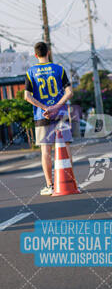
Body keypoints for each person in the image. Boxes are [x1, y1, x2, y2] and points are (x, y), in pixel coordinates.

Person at [24, 41, 73, 196]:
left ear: (35, 54)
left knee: (46, 151)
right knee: (65, 147)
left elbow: (27, 96)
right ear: (49, 52)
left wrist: (45, 108)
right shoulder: (59, 69)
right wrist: (56, 106)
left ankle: (50, 185)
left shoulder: (31, 72)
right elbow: (69, 92)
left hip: (42, 115)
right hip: (60, 113)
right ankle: (70, 182)